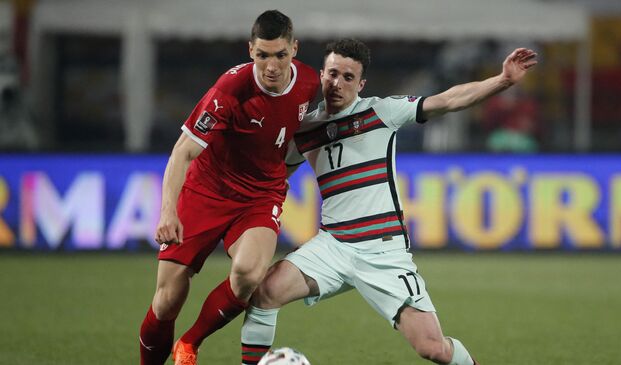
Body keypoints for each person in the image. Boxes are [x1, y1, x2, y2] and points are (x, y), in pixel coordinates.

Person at [240, 39, 536, 365]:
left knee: (432, 348)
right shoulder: (305, 128)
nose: (338, 83)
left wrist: (503, 80)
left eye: (348, 77)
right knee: (264, 294)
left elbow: (449, 100)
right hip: (332, 245)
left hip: (382, 251)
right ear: (322, 74)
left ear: (361, 84)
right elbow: (271, 177)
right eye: (333, 74)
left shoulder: (382, 111)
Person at [138, 10, 319, 365]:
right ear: (250, 50)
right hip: (207, 189)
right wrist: (168, 211)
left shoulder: (310, 84)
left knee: (249, 274)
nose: (271, 65)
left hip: (260, 194)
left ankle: (189, 343)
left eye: (280, 54)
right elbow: (183, 151)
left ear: (294, 49)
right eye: (262, 54)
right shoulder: (230, 89)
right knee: (167, 300)